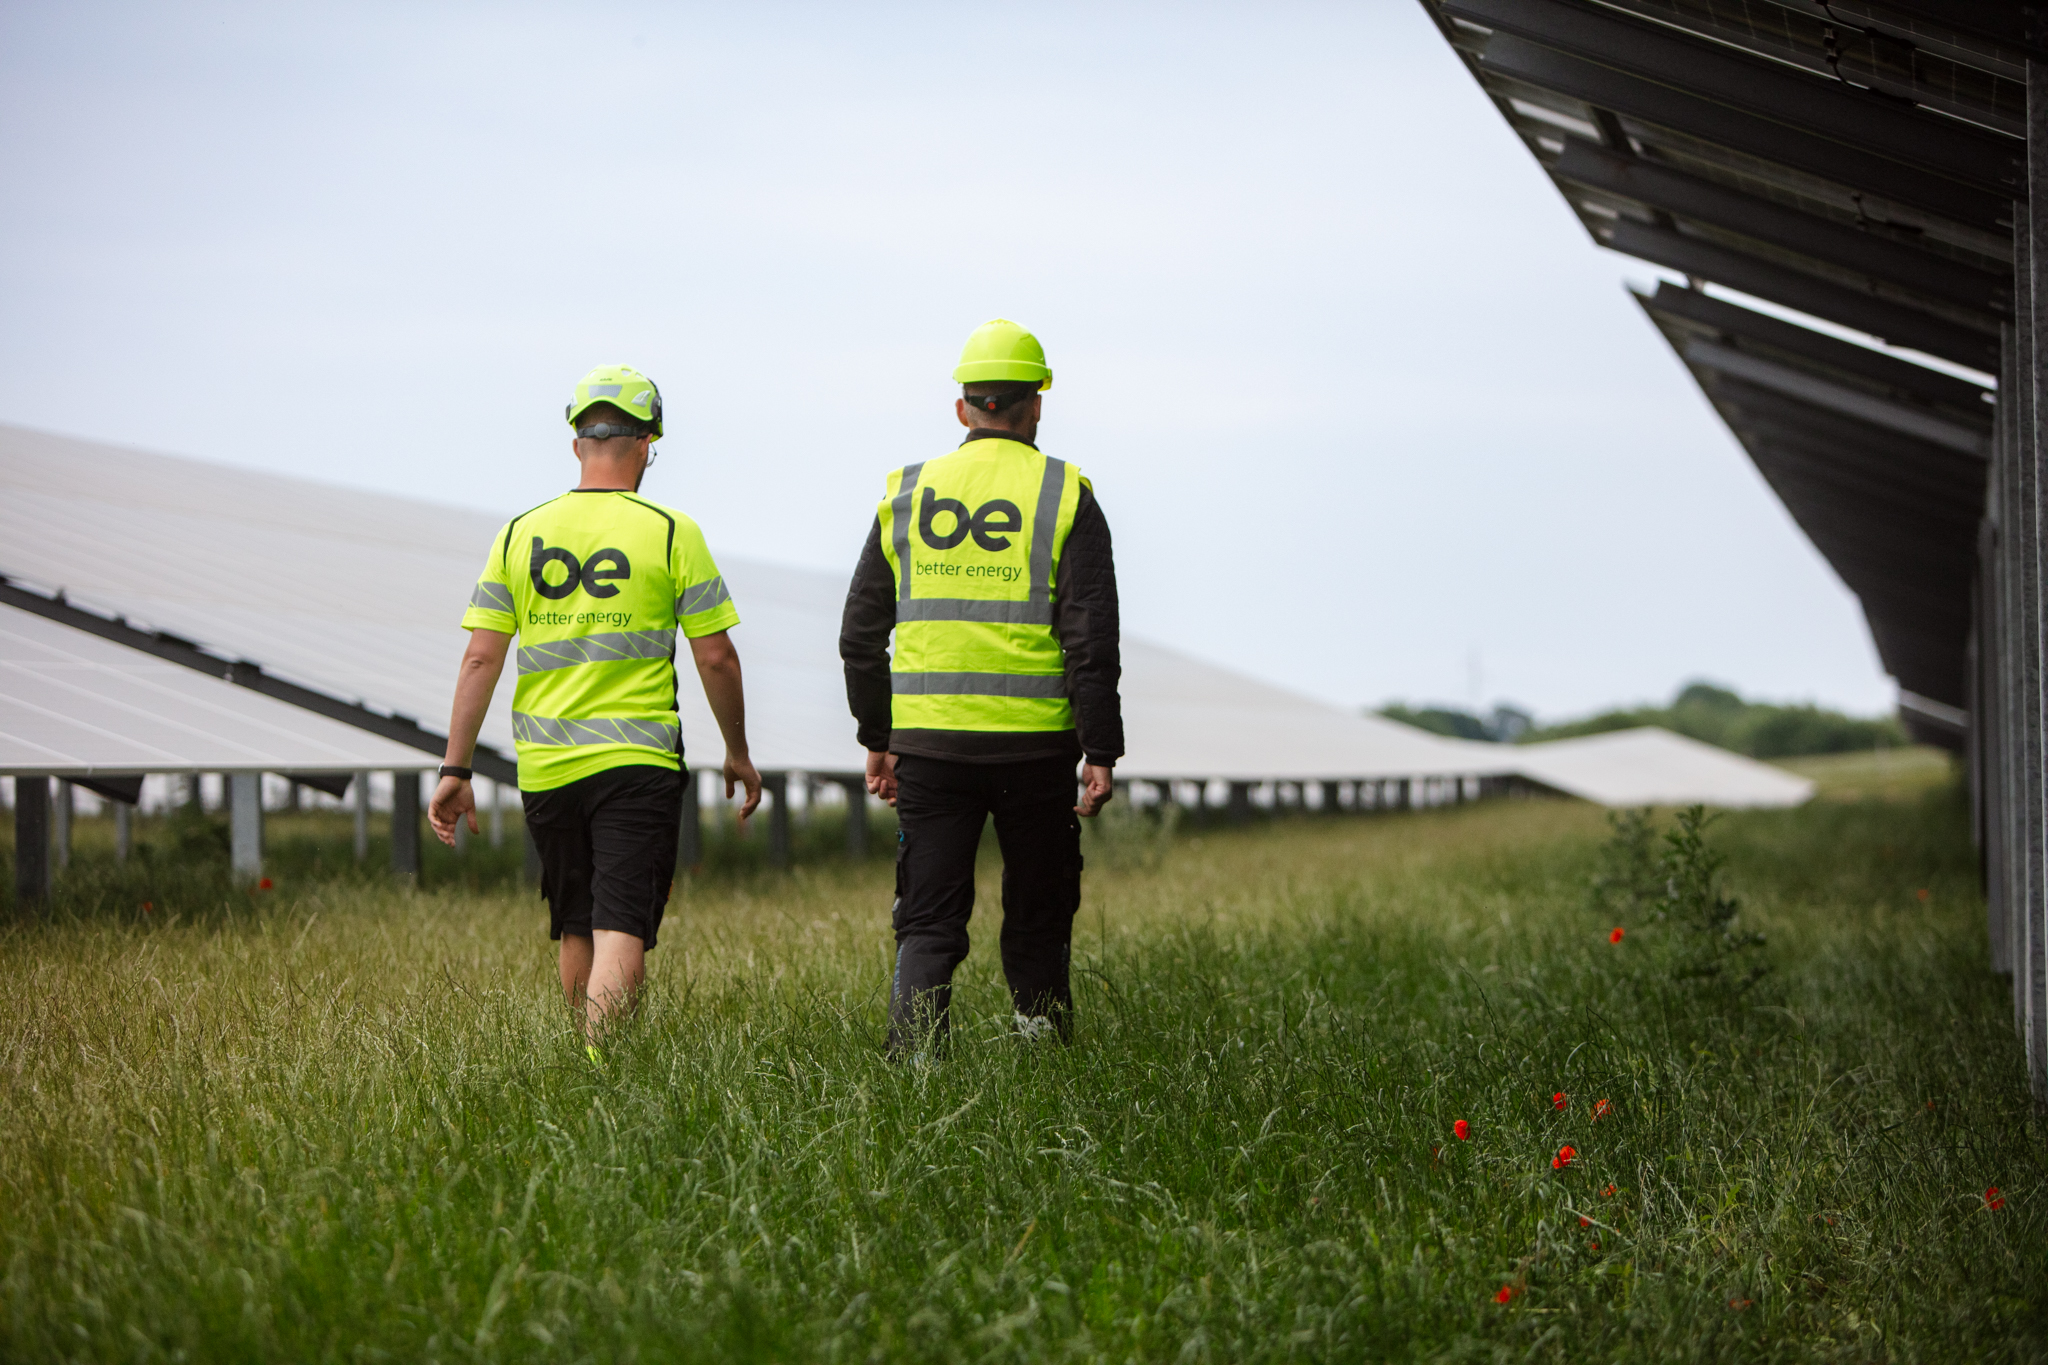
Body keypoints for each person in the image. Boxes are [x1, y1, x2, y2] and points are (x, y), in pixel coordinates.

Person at [429, 364, 761, 1044]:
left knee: (576, 918)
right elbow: (717, 656)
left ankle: (579, 1062)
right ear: (646, 445)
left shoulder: (520, 533)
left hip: (547, 765)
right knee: (623, 923)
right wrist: (738, 751)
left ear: (578, 444)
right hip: (635, 760)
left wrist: (454, 769)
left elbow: (480, 657)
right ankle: (601, 1069)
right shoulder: (672, 531)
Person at [840, 318, 1124, 1056]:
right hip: (1036, 749)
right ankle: (1040, 1047)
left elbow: (860, 635)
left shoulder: (905, 493)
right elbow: (1091, 641)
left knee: (929, 915)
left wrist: (880, 737)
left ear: (963, 408)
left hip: (931, 747)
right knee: (1039, 903)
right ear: (1037, 404)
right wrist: (1101, 748)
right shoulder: (1067, 494)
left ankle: (916, 1063)